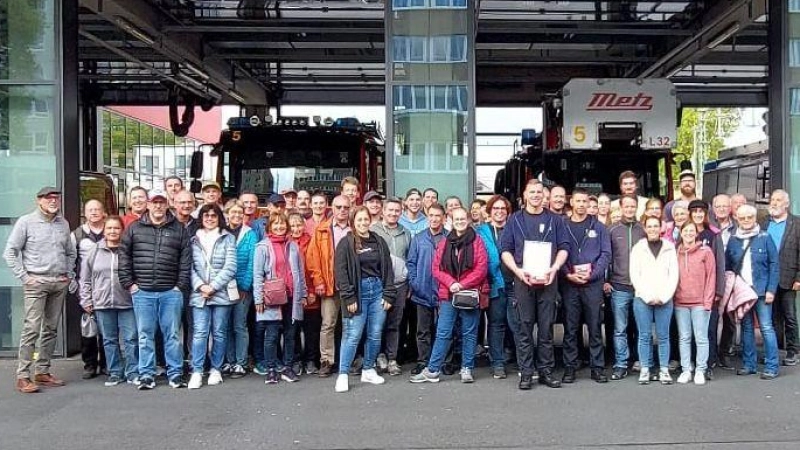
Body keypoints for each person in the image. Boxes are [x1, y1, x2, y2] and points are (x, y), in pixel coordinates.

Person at [4, 187, 76, 393]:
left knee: (51, 329)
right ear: (39, 201)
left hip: (58, 282)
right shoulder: (26, 222)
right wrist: (25, 277)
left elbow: (70, 252)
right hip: (36, 283)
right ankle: (23, 375)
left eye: (56, 198)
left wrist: (69, 273)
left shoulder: (63, 224)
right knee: (31, 329)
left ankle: (42, 371)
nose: (53, 201)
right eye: (48, 198)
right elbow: (9, 253)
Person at [118, 189, 192, 390]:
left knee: (173, 335)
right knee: (145, 335)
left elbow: (186, 261)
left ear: (167, 204)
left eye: (161, 202)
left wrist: (179, 286)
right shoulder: (134, 228)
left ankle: (175, 373)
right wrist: (130, 284)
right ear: (148, 204)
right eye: (154, 202)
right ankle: (147, 375)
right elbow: (124, 257)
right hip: (143, 292)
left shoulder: (179, 229)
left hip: (171, 292)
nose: (158, 206)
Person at [500, 179, 569, 390]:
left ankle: (547, 372)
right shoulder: (514, 220)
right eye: (532, 192)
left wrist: (555, 268)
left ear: (544, 196)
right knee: (524, 329)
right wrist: (518, 272)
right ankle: (526, 374)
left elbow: (564, 248)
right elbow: (505, 251)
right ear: (525, 194)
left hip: (548, 280)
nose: (536, 195)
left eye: (539, 192)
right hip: (523, 281)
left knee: (547, 329)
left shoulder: (555, 220)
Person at [410, 207, 488, 384]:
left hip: (469, 293)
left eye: (462, 219)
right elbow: (436, 268)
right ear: (451, 221)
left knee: (469, 333)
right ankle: (433, 370)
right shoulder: (445, 242)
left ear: (468, 220)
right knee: (443, 332)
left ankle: (466, 368)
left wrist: (462, 284)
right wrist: (451, 283)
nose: (459, 222)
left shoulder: (477, 241)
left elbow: (481, 269)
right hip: (448, 294)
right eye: (456, 219)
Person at [334, 206, 397, 392]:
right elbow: (341, 272)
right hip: (357, 292)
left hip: (378, 289)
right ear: (353, 222)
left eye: (365, 219)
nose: (363, 223)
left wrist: (388, 293)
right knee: (352, 335)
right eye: (359, 220)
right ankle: (343, 373)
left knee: (375, 333)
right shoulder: (346, 244)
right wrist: (349, 297)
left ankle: (368, 369)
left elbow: (388, 270)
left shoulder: (379, 241)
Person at [560, 188, 612, 383]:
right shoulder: (562, 226)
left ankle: (597, 367)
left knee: (595, 327)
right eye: (578, 201)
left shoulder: (599, 227)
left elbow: (606, 254)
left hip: (593, 284)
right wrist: (568, 274)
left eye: (585, 202)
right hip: (570, 284)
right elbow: (557, 252)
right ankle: (570, 368)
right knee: (570, 328)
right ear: (571, 202)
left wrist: (593, 274)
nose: (582, 205)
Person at [79, 216, 138, 387]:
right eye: (109, 228)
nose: (113, 231)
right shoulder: (94, 251)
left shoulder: (129, 250)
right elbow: (85, 278)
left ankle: (132, 372)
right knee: (109, 340)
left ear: (122, 230)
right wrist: (86, 299)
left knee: (130, 339)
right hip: (102, 303)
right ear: (104, 230)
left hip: (127, 302)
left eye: (116, 228)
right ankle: (115, 372)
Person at [727, 204, 780, 379]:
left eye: (749, 217)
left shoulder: (765, 237)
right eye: (742, 218)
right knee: (747, 329)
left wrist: (771, 289)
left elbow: (774, 264)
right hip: (743, 292)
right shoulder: (733, 240)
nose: (746, 221)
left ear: (755, 218)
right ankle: (749, 365)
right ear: (737, 219)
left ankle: (772, 366)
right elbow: (728, 268)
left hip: (762, 291)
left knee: (766, 327)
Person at [253, 212, 306, 384]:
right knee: (272, 335)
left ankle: (287, 367)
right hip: (271, 297)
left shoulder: (293, 246)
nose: (279, 227)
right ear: (269, 227)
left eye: (282, 224)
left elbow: (301, 271)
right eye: (275, 224)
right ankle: (271, 369)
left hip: (291, 295)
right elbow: (257, 275)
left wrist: (303, 293)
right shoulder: (262, 247)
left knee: (291, 334)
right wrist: (258, 299)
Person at [306, 195, 352, 377]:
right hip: (329, 285)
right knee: (328, 324)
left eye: (345, 207)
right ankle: (326, 360)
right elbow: (312, 258)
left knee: (349, 325)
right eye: (338, 207)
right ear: (331, 208)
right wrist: (318, 281)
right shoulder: (322, 230)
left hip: (350, 286)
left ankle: (346, 360)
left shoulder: (354, 229)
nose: (342, 210)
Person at [630, 216, 679, 385]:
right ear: (645, 228)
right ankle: (645, 369)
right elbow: (635, 275)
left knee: (664, 336)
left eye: (655, 226)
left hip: (665, 299)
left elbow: (674, 275)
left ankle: (664, 370)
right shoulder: (638, 248)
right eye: (649, 226)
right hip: (642, 299)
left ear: (661, 228)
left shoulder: (670, 248)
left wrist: (664, 296)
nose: (652, 229)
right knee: (644, 336)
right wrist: (648, 296)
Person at [476, 195, 521, 380]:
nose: (499, 211)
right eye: (496, 208)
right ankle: (498, 364)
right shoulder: (481, 231)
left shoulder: (515, 229)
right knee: (496, 325)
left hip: (515, 284)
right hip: (494, 284)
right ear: (490, 211)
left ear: (508, 212)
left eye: (503, 209)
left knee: (517, 325)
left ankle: (523, 362)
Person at [605, 194, 647, 381]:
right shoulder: (612, 230)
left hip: (640, 287)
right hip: (619, 286)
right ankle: (621, 364)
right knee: (620, 328)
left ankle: (641, 361)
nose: (630, 209)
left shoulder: (643, 230)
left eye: (633, 206)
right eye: (627, 206)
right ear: (620, 208)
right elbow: (606, 257)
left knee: (641, 327)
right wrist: (606, 280)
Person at [371, 198, 411, 376]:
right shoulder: (373, 231)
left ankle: (392, 357)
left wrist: (409, 282)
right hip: (379, 284)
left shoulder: (406, 232)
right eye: (390, 210)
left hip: (400, 285)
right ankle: (378, 356)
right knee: (378, 323)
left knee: (395, 323)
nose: (393, 213)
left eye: (397, 211)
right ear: (383, 211)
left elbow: (410, 259)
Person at [406, 203, 447, 375]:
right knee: (423, 330)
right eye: (431, 215)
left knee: (444, 329)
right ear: (427, 217)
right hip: (422, 292)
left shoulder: (450, 238)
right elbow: (411, 263)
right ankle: (423, 360)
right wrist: (415, 283)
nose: (434, 219)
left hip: (444, 292)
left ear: (444, 218)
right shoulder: (419, 238)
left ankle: (445, 361)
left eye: (438, 215)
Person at [673, 221, 715, 385]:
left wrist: (708, 301)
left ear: (696, 233)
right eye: (686, 231)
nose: (689, 234)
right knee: (684, 337)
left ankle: (700, 370)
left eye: (692, 231)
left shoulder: (706, 252)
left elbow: (711, 277)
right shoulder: (676, 252)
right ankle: (685, 370)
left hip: (700, 303)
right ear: (681, 233)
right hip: (680, 302)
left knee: (701, 338)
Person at [688, 199, 727, 377]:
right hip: (689, 293)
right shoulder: (685, 233)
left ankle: (708, 364)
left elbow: (720, 264)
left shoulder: (713, 234)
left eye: (700, 212)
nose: (697, 215)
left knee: (708, 330)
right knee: (691, 331)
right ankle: (692, 363)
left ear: (705, 214)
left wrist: (719, 291)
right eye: (694, 212)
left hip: (708, 292)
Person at [763, 190, 800, 367]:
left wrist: (799, 278)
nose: (775, 203)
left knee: (790, 316)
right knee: (772, 318)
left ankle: (793, 351)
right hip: (768, 278)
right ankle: (775, 351)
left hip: (788, 276)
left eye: (779, 200)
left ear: (786, 204)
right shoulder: (764, 223)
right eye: (773, 200)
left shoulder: (796, 223)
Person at [72, 199, 107, 379]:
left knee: (107, 328)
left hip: (107, 287)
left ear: (103, 212)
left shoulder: (110, 231)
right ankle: (90, 364)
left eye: (97, 209)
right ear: (85, 213)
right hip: (85, 287)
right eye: (90, 210)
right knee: (88, 328)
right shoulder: (77, 234)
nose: (94, 212)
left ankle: (107, 363)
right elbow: (71, 260)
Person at [223, 200, 257, 378]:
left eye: (239, 212)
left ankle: (241, 362)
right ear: (227, 213)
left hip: (242, 288)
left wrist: (245, 285)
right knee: (226, 326)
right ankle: (229, 360)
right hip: (223, 287)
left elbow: (252, 261)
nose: (236, 215)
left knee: (239, 325)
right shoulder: (221, 232)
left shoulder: (249, 234)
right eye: (233, 212)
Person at [289, 212, 320, 375]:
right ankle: (296, 360)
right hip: (292, 294)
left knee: (311, 329)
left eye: (299, 225)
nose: (296, 229)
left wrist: (313, 290)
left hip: (309, 291)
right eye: (292, 226)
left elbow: (314, 267)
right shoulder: (286, 243)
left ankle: (311, 360)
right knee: (293, 329)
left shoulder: (312, 241)